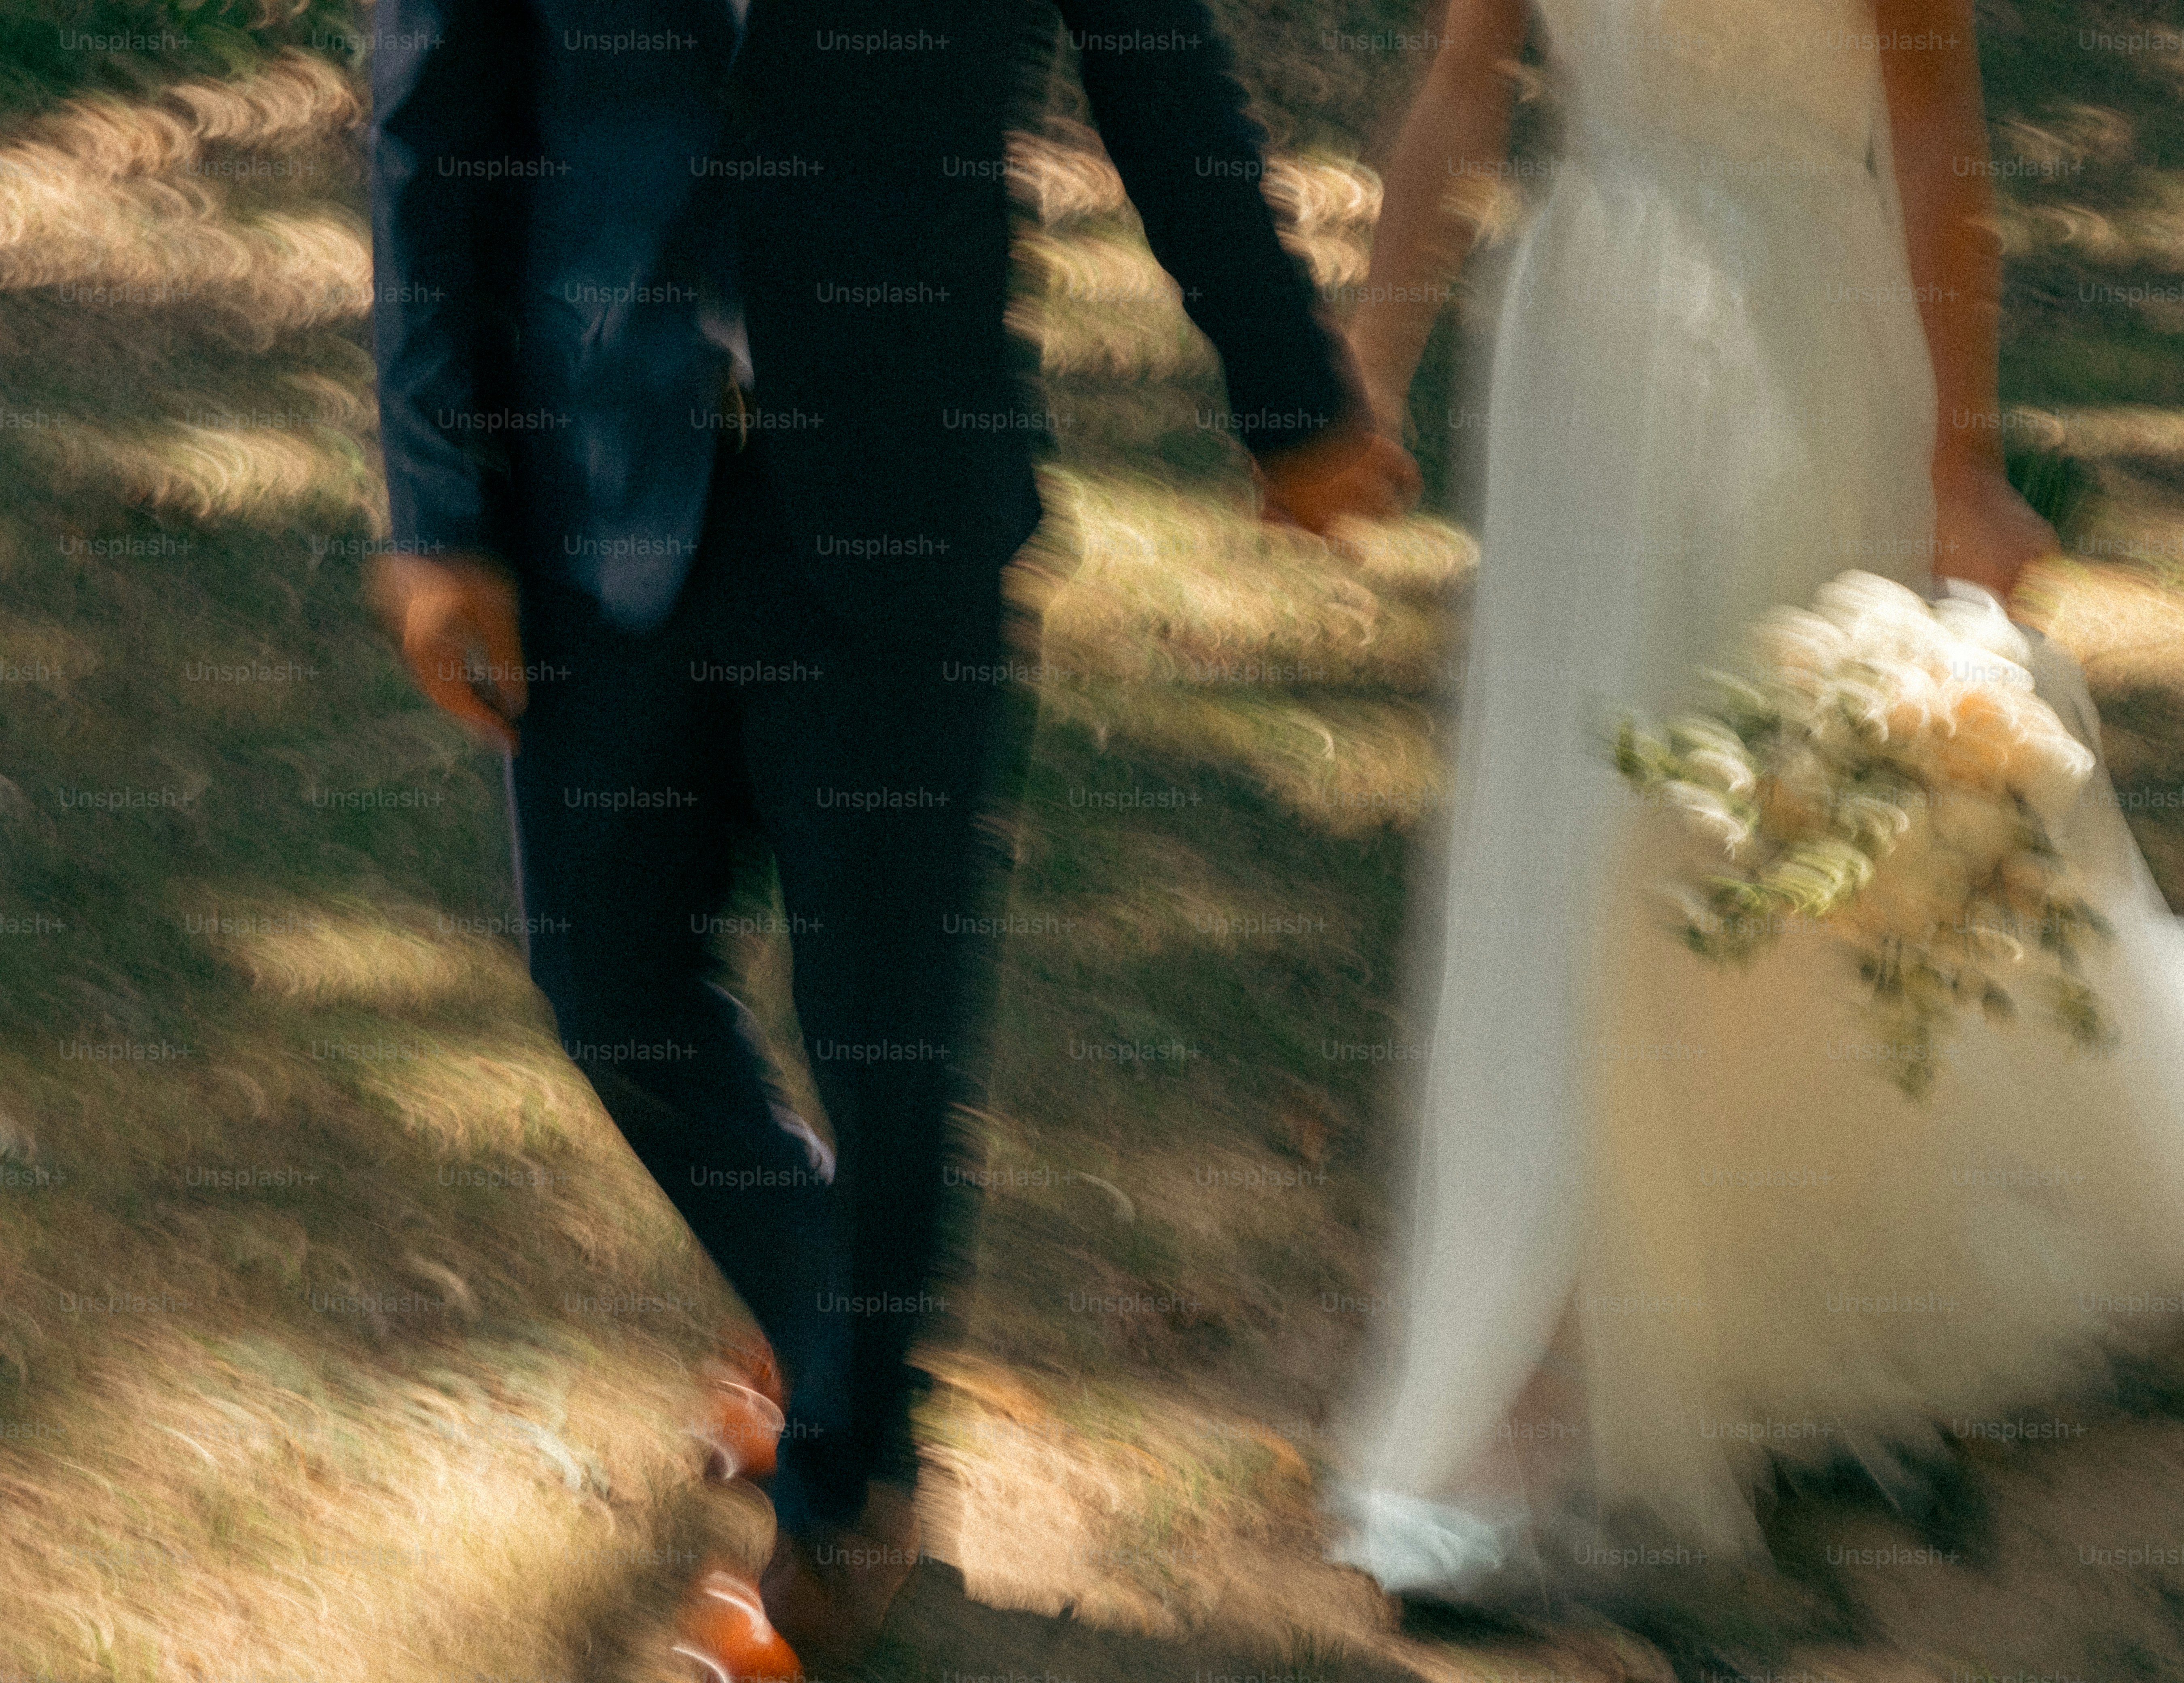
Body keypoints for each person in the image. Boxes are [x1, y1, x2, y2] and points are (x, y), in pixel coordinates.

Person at [1324, 0, 2184, 1605]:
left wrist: (1960, 460)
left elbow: (1938, 128)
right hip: (1587, 349)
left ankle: (1591, 1342)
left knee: (1716, 829)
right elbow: (1467, 73)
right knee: (1571, 825)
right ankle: (1564, 1326)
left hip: (1802, 345)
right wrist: (1363, 372)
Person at [361, 0, 1418, 1670]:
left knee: (891, 1038)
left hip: (906, 477)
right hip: (600, 470)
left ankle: (851, 1492)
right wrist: (437, 505)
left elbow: (1159, 69)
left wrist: (1291, 391)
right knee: (608, 978)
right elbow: (436, 109)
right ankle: (838, 1324)